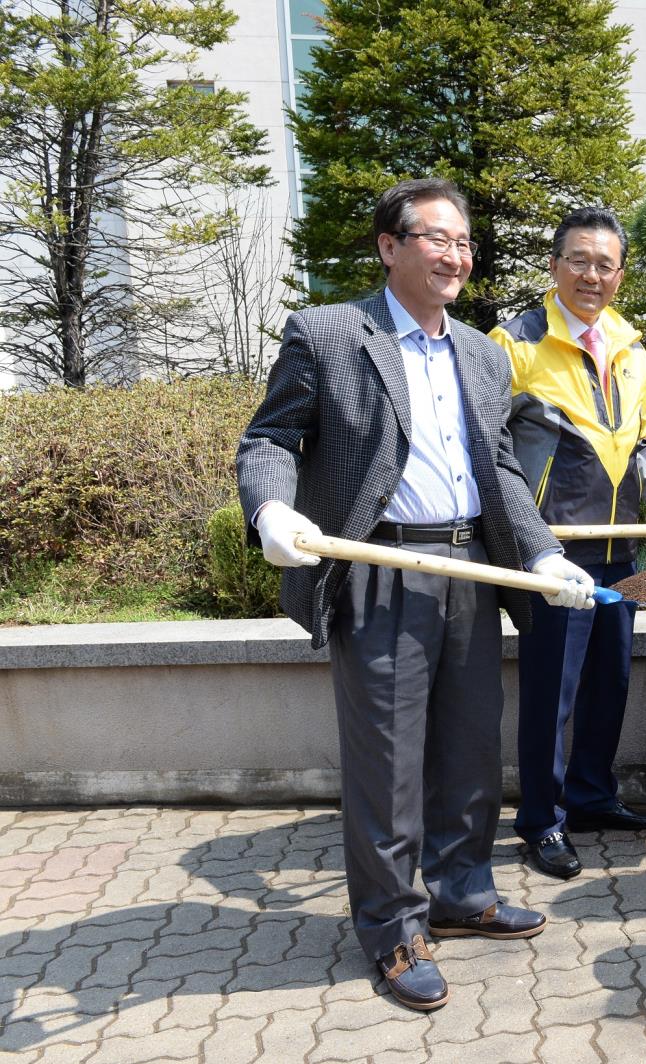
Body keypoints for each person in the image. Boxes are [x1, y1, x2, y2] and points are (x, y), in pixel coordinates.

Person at [237, 178, 598, 1012]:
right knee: (389, 766)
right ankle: (393, 930)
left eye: (464, 242)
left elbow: (498, 467)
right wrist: (272, 507)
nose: (456, 254)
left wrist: (542, 554)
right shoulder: (330, 334)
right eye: (437, 238)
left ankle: (463, 893)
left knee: (472, 749)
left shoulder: (479, 350)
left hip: (470, 570)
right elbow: (270, 437)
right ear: (390, 246)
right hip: (379, 569)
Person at [490, 206, 646, 881]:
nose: (593, 274)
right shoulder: (515, 343)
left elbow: (640, 447)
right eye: (580, 260)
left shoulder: (630, 345)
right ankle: (541, 819)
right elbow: (490, 452)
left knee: (607, 685)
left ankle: (589, 797)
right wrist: (528, 544)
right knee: (551, 691)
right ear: (555, 266)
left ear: (621, 273)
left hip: (619, 547)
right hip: (553, 553)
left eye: (606, 263)